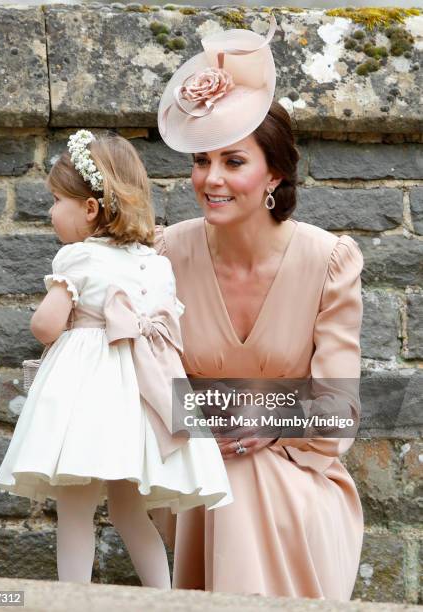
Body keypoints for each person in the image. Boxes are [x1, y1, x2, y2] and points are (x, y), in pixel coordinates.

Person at [153, 18, 364, 600]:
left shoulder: (328, 261)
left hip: (302, 480)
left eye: (232, 161)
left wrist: (269, 420)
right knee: (229, 472)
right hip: (194, 480)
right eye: (201, 161)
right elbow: (150, 389)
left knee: (247, 472)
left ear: (274, 172)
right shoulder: (166, 254)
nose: (210, 179)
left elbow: (338, 411)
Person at [0, 130, 232, 587]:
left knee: (76, 505)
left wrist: (56, 295)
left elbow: (45, 327)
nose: (49, 211)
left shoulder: (77, 258)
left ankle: (73, 597)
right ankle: (163, 595)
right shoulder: (156, 264)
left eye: (56, 200)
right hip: (140, 400)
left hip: (89, 400)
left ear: (89, 208)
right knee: (129, 509)